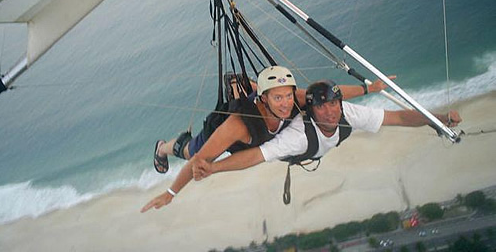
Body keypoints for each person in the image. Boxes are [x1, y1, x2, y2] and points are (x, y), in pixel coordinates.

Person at [141, 68, 388, 213]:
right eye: (277, 98)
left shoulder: (296, 98)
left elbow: (333, 94)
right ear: (264, 98)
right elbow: (199, 160)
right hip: (219, 134)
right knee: (188, 149)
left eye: (287, 96)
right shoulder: (237, 125)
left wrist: (370, 89)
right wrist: (171, 192)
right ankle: (162, 147)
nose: (285, 103)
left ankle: (245, 84)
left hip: (257, 116)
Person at [191, 80, 462, 181]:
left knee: (284, 98)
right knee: (191, 150)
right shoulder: (296, 136)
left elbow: (399, 117)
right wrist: (214, 168)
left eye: (334, 104)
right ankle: (166, 147)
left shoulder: (347, 113)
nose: (331, 112)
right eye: (322, 107)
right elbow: (255, 156)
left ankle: (250, 86)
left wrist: (436, 120)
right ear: (311, 110)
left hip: (290, 121)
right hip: (273, 137)